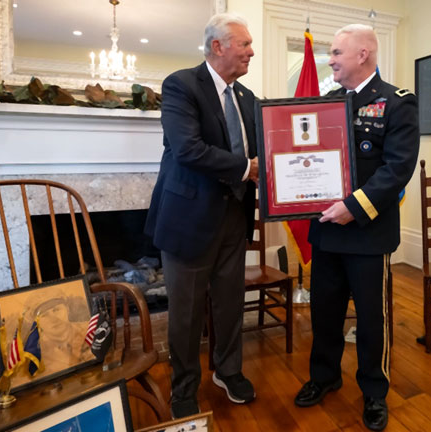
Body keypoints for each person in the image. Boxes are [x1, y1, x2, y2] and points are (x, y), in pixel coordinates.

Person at [293, 24, 420, 431]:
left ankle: (374, 392)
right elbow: (304, 155)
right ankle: (325, 376)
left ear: (362, 54)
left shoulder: (397, 103)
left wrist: (353, 207)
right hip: (327, 231)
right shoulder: (326, 102)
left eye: (335, 53)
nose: (329, 60)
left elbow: (397, 168)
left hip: (368, 231)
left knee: (371, 318)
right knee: (324, 312)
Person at [144, 13, 258, 419]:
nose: (251, 51)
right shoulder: (181, 85)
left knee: (229, 303)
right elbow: (187, 149)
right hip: (188, 218)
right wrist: (246, 168)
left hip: (234, 215)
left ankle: (228, 371)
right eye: (244, 44)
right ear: (217, 47)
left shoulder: (248, 98)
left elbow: (270, 150)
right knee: (187, 312)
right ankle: (184, 385)